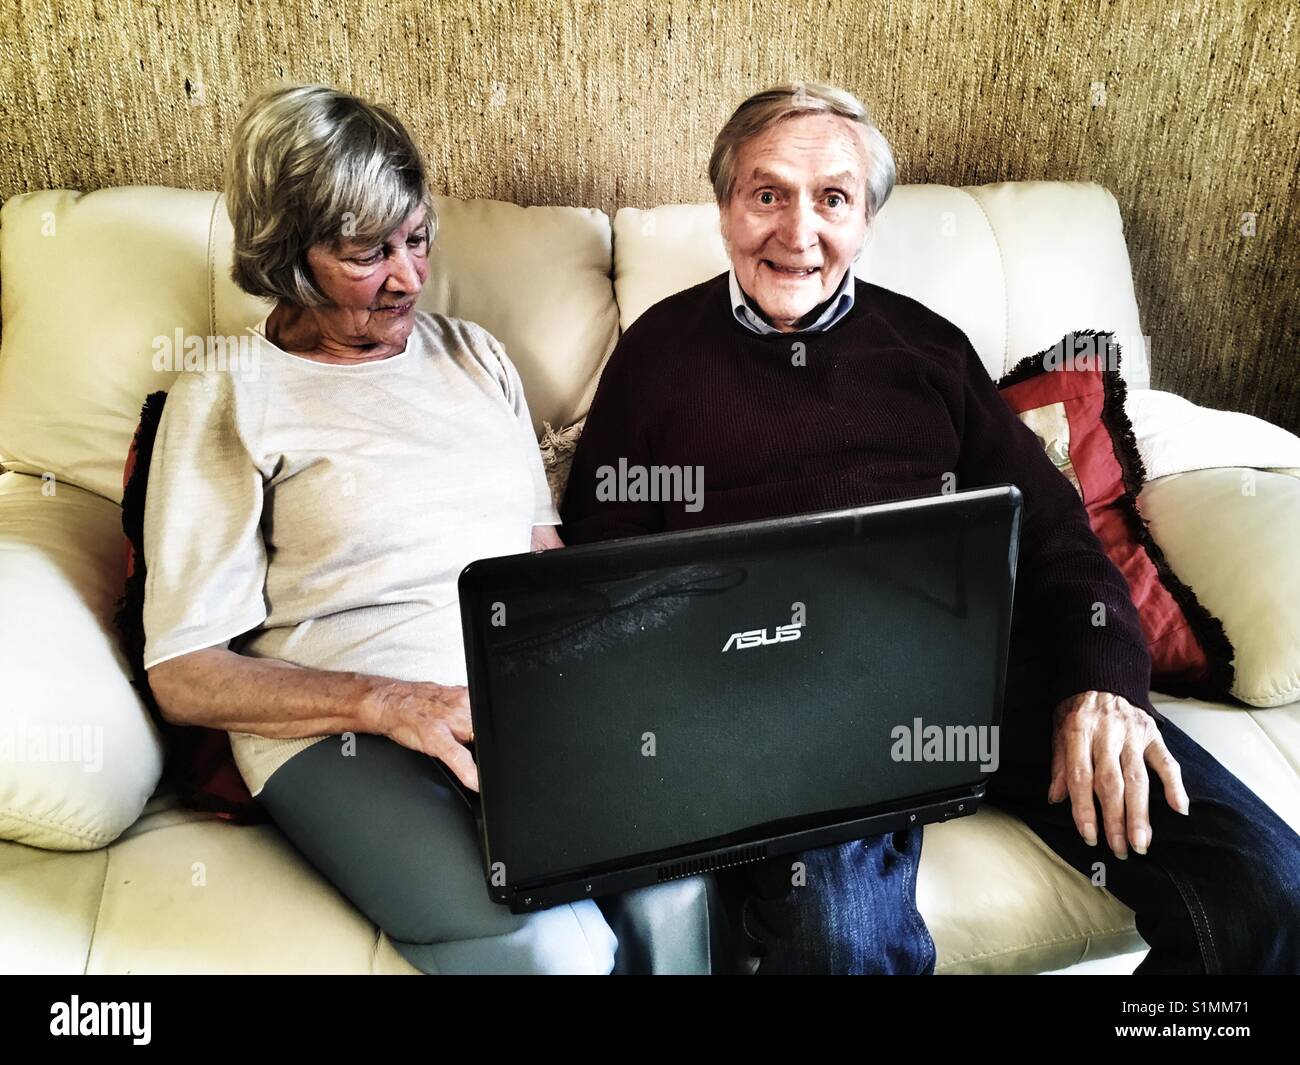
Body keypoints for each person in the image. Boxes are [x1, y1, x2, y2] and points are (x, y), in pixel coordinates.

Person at [560, 82, 1300, 974]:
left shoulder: (928, 348)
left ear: (866, 218)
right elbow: (599, 555)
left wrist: (1102, 682)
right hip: (788, 698)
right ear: (725, 209)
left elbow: (1060, 531)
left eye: (832, 198)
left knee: (1268, 889)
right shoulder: (658, 355)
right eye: (768, 194)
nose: (798, 232)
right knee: (840, 940)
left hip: (985, 671)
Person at [141, 83, 707, 975]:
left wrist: (615, 677)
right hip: (340, 732)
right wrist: (387, 702)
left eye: (416, 238)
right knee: (555, 946)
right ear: (290, 258)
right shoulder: (228, 391)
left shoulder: (476, 356)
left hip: (510, 702)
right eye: (368, 253)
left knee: (676, 889)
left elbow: (541, 563)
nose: (407, 276)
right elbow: (184, 672)